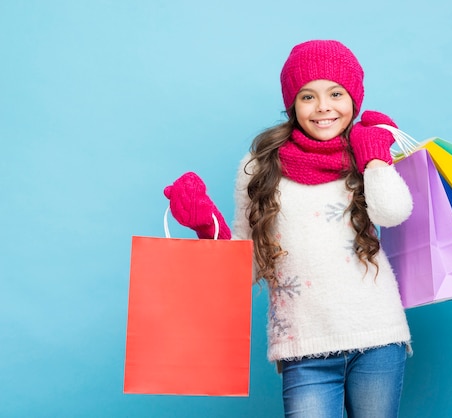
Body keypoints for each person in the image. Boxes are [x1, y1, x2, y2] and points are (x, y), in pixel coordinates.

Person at [164, 39, 414, 418]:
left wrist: (375, 156)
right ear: (291, 104)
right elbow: (245, 267)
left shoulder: (365, 151)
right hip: (303, 344)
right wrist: (207, 227)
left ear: (355, 97)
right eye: (307, 96)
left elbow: (393, 212)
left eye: (336, 93)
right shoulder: (261, 166)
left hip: (378, 337)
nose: (323, 107)